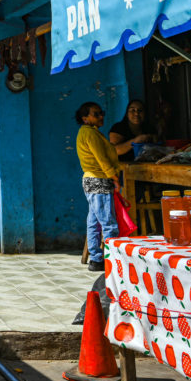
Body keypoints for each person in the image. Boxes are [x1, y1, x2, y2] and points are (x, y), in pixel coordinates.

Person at [76, 102, 121, 272]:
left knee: (94, 221)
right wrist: (115, 178)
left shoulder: (87, 132)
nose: (101, 116)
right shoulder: (90, 133)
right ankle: (112, 260)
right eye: (96, 114)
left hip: (91, 180)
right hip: (99, 180)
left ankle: (96, 258)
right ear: (85, 118)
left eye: (101, 113)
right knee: (108, 223)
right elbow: (102, 159)